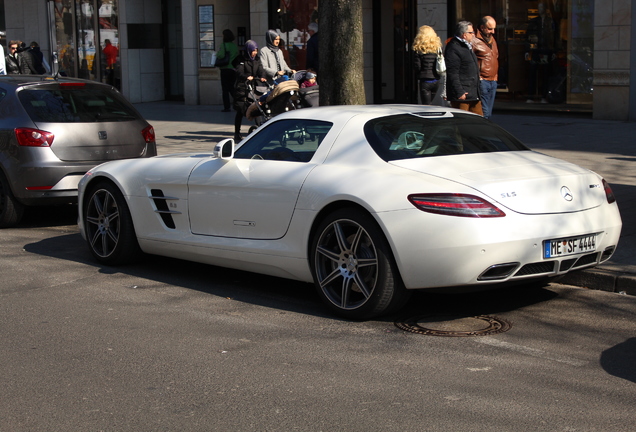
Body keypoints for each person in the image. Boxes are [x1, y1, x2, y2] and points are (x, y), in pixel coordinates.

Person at [444, 21, 483, 115]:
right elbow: (452, 72)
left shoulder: (467, 46)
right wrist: (459, 91)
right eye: (471, 32)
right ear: (464, 35)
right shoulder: (453, 47)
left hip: (473, 93)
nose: (474, 35)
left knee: (478, 121)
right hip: (463, 94)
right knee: (461, 122)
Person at [233, 40, 267, 141]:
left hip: (253, 88)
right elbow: (239, 72)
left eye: (256, 50)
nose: (255, 52)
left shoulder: (257, 60)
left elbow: (261, 70)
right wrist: (247, 77)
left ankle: (259, 129)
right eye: (253, 50)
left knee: (256, 107)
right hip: (242, 89)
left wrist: (262, 77)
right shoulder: (241, 60)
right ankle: (237, 132)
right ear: (248, 50)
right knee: (240, 111)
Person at [525, 2, 556, 103]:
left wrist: (555, 50)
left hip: (547, 50)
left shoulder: (551, 21)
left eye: (541, 7)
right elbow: (528, 36)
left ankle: (544, 96)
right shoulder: (534, 22)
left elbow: (555, 37)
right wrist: (527, 50)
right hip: (536, 50)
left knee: (545, 74)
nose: (540, 9)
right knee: (532, 73)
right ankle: (530, 96)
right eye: (539, 7)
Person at [472, 16, 499, 119]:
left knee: (488, 112)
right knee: (484, 112)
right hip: (482, 80)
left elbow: (495, 57)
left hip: (493, 80)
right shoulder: (474, 40)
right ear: (482, 27)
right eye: (490, 28)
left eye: (494, 29)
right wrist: (478, 77)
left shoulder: (492, 40)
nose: (493, 31)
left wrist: (495, 77)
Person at [412, 25, 443, 105]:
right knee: (430, 103)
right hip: (436, 79)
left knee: (426, 105)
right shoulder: (437, 48)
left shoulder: (418, 50)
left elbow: (417, 66)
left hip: (425, 80)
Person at [217, 29, 239, 112]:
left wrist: (217, 53)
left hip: (225, 68)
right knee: (231, 87)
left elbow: (220, 55)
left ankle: (227, 106)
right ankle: (237, 101)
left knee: (225, 89)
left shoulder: (223, 45)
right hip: (233, 69)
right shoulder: (234, 46)